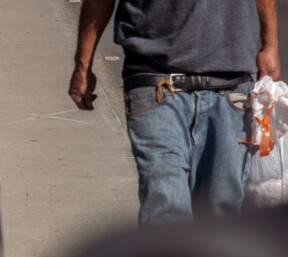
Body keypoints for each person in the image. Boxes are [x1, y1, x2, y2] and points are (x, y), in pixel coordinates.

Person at [68, 0, 280, 227]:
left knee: (221, 215)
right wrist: (83, 65)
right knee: (165, 208)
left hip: (231, 84)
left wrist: (270, 45)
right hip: (155, 81)